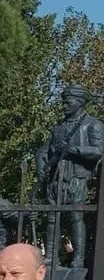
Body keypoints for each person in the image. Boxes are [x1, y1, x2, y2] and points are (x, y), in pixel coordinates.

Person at [35, 84, 104, 269]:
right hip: (56, 178)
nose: (64, 104)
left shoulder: (93, 124)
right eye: (63, 101)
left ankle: (78, 258)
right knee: (52, 217)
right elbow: (43, 151)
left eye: (69, 101)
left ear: (80, 102)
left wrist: (75, 150)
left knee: (75, 216)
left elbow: (99, 150)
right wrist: (41, 167)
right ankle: (50, 256)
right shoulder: (58, 129)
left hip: (77, 178)